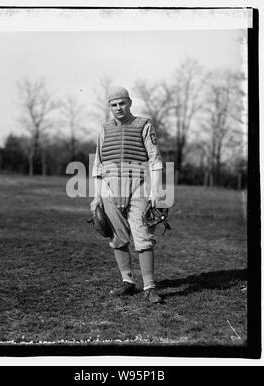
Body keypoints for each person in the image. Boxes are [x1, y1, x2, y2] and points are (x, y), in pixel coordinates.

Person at [90, 86, 163, 303]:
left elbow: (155, 159)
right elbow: (98, 165)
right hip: (110, 188)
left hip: (138, 185)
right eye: (114, 104)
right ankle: (127, 282)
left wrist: (156, 192)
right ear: (109, 107)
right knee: (117, 237)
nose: (118, 108)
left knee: (142, 237)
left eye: (122, 103)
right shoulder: (104, 129)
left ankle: (149, 287)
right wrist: (96, 196)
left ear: (129, 103)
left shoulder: (144, 124)